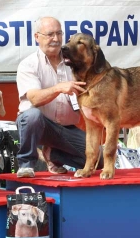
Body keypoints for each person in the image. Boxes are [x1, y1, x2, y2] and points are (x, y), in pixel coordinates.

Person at [15, 17, 98, 178]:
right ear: (37, 37)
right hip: (40, 126)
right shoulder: (28, 64)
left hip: (67, 129)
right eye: (50, 34)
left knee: (97, 159)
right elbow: (34, 99)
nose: (56, 39)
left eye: (59, 33)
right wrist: (59, 88)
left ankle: (54, 155)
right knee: (32, 115)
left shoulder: (75, 62)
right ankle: (26, 165)